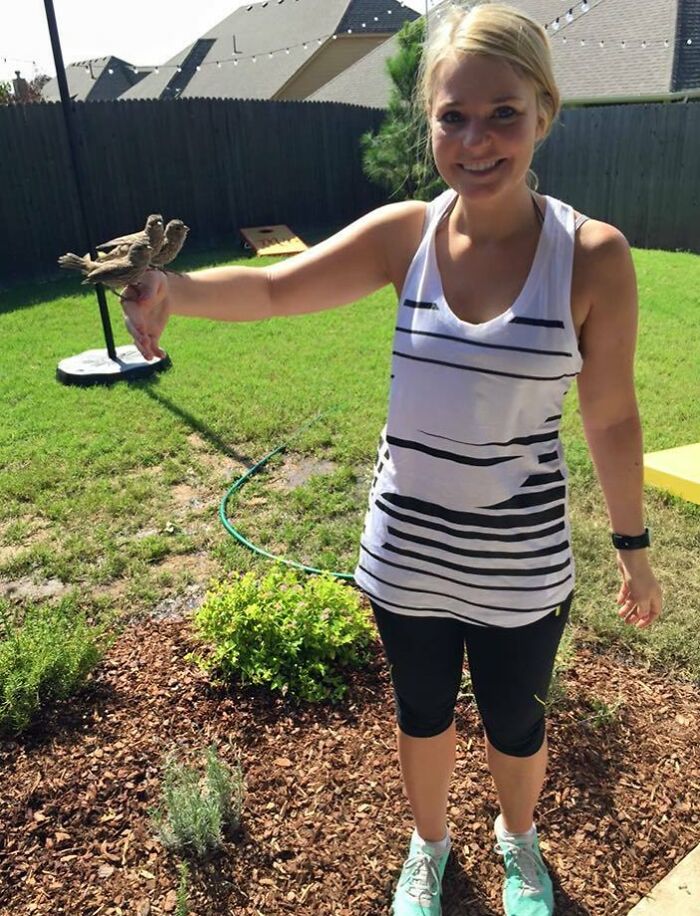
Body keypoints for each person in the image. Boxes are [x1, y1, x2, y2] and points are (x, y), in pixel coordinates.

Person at [120, 3, 663, 913]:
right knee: (421, 712)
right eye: (453, 115)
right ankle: (430, 845)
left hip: (520, 564)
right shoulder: (405, 234)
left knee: (517, 720)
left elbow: (611, 418)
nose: (476, 139)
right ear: (429, 120)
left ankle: (518, 845)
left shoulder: (591, 256)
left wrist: (633, 549)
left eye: (503, 114)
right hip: (405, 550)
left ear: (545, 112)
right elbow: (274, 290)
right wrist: (173, 290)